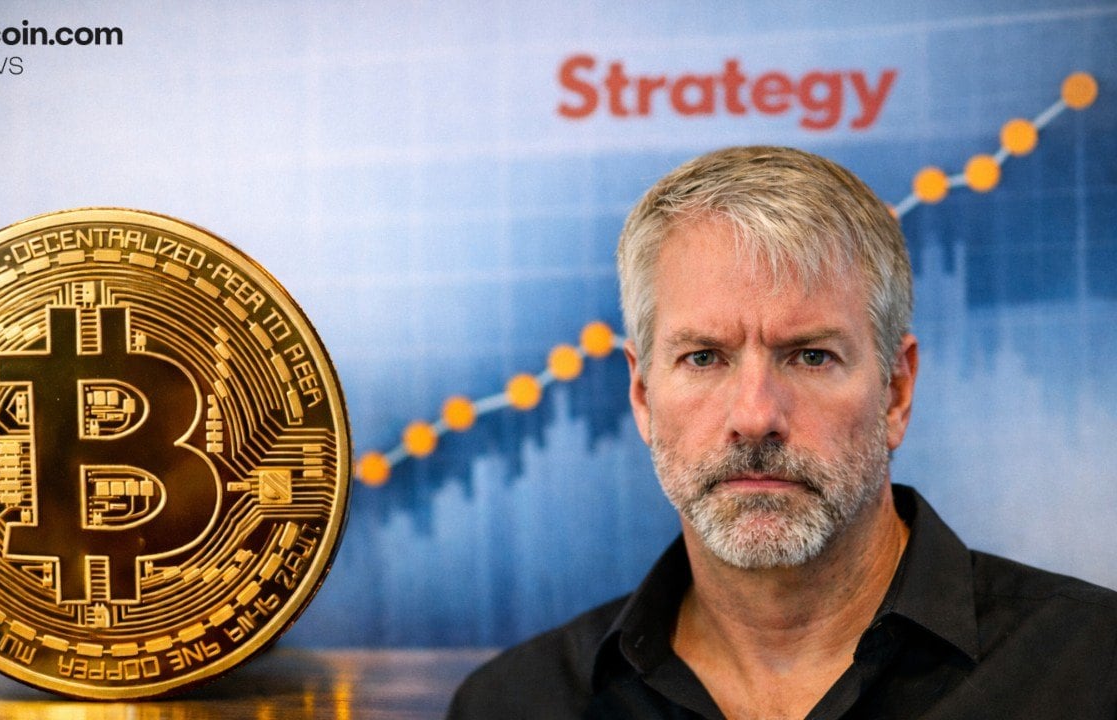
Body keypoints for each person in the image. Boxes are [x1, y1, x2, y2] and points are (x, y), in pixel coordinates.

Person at [446, 146, 1117, 719]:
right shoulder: (517, 703)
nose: (755, 416)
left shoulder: (1092, 669)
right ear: (643, 395)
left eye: (811, 356)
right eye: (703, 358)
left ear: (896, 391)